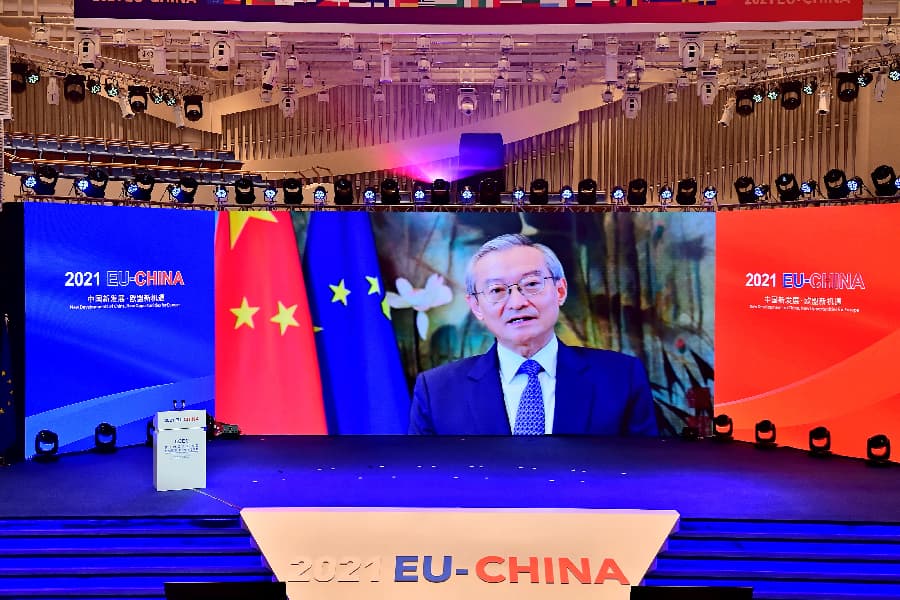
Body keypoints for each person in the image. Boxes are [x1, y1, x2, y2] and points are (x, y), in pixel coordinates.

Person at [408, 233, 658, 436]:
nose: (517, 302)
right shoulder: (437, 391)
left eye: (531, 284)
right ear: (476, 306)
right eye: (497, 290)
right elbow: (424, 480)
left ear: (560, 291)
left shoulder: (621, 378)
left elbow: (643, 474)